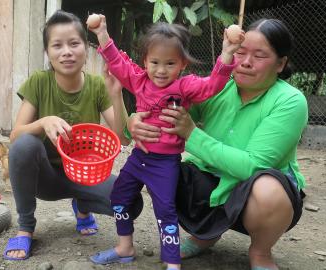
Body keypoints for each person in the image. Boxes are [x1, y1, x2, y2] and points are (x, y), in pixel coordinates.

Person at [128, 18, 307, 270]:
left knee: (268, 190)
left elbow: (252, 166)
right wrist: (134, 120)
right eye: (240, 52)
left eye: (259, 56)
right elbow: (162, 112)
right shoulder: (218, 88)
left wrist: (192, 134)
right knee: (161, 168)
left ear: (281, 64)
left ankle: (261, 252)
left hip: (256, 193)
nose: (245, 62)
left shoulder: (290, 101)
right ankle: (205, 236)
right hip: (212, 183)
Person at [87, 14, 243, 269]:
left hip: (165, 163)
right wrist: (101, 32)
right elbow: (116, 62)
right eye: (155, 62)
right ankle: (124, 246)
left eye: (170, 63)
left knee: (165, 211)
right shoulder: (138, 80)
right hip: (139, 158)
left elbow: (213, 85)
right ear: (145, 61)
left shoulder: (185, 87)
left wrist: (228, 52)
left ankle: (172, 263)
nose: (161, 70)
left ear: (182, 64)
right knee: (118, 198)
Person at [2, 10, 142, 261]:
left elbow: (123, 138)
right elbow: (15, 135)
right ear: (48, 54)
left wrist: (116, 92)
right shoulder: (39, 83)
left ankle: (83, 205)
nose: (66, 51)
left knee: (132, 204)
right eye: (57, 45)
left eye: (74, 43)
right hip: (46, 178)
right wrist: (43, 122)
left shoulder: (97, 85)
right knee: (24, 145)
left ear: (85, 51)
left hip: (87, 176)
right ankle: (25, 227)